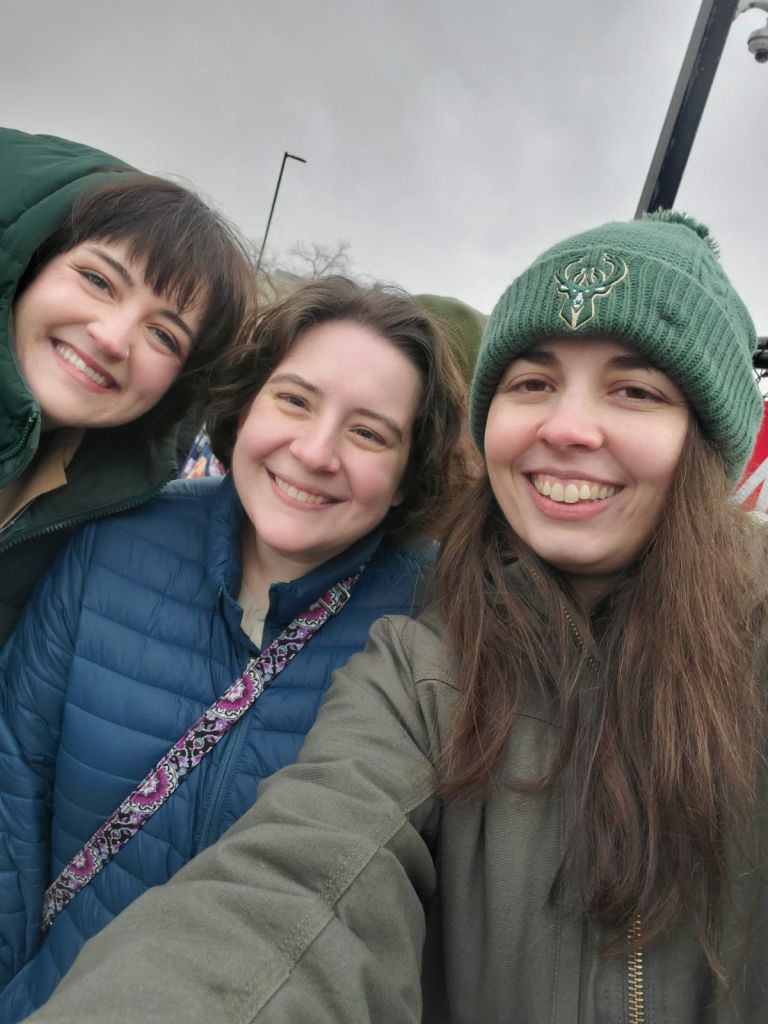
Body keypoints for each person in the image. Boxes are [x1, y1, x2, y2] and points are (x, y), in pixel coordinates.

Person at [22, 211, 768, 1024]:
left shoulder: (413, 604)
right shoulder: (429, 664)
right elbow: (304, 892)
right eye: (532, 383)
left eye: (634, 390)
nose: (566, 426)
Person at [0, 276, 468, 1019]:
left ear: (411, 475)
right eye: (294, 399)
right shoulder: (114, 543)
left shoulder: (439, 624)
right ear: (246, 404)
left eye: (369, 432)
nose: (314, 451)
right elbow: (11, 787)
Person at [0, 126, 255, 642]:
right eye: (98, 280)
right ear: (33, 265)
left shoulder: (102, 503)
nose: (114, 339)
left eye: (163, 334)